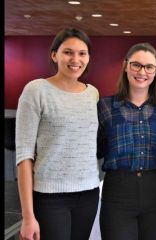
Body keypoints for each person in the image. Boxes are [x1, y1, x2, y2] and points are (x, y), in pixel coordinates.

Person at [15, 28, 100, 240]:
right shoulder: (36, 90)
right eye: (68, 52)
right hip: (50, 197)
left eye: (82, 53)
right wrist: (27, 217)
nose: (76, 59)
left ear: (88, 57)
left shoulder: (93, 94)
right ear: (54, 55)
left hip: (89, 194)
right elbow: (24, 156)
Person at [97, 42, 156, 240]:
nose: (142, 72)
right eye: (136, 65)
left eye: (149, 67)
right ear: (125, 66)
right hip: (118, 193)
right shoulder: (105, 106)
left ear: (155, 72)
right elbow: (94, 149)